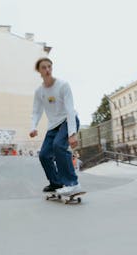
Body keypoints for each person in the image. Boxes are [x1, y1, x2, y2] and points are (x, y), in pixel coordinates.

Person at [29, 57, 80, 195]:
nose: (47, 70)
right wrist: (33, 127)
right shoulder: (39, 92)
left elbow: (70, 109)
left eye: (49, 67)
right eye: (43, 68)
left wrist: (72, 133)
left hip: (68, 121)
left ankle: (72, 183)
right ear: (39, 71)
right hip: (53, 126)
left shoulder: (63, 85)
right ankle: (56, 182)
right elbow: (36, 111)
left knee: (58, 146)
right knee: (44, 155)